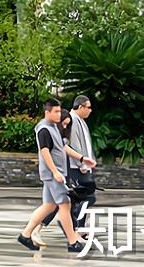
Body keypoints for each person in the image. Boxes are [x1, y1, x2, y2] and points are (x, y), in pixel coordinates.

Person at [17, 98, 86, 254]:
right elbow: (45, 152)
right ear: (47, 112)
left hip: (55, 174)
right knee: (65, 205)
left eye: (58, 111)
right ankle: (72, 242)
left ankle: (25, 234)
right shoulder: (44, 129)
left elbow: (63, 147)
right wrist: (55, 172)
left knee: (49, 206)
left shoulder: (54, 127)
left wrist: (81, 158)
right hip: (53, 174)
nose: (58, 114)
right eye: (55, 111)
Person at [56, 94, 97, 232]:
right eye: (88, 107)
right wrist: (82, 164)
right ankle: (72, 223)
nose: (90, 110)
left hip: (81, 166)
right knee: (87, 197)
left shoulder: (81, 120)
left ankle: (77, 227)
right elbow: (73, 145)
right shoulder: (73, 120)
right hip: (76, 167)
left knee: (81, 198)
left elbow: (85, 144)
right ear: (80, 107)